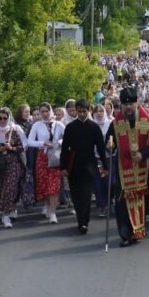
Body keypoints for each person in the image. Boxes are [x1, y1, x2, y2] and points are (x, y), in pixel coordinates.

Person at [105, 86, 149, 246]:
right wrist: (110, 145)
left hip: (143, 169)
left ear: (137, 103)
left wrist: (143, 154)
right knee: (122, 203)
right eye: (125, 104)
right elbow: (109, 142)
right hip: (123, 170)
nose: (128, 107)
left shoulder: (148, 121)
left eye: (131, 104)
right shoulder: (116, 123)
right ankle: (126, 234)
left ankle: (138, 231)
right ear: (121, 105)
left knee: (140, 201)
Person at [61, 99, 108, 234]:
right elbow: (65, 147)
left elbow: (100, 148)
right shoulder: (70, 127)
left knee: (86, 195)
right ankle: (80, 219)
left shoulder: (94, 127)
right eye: (79, 111)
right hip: (73, 165)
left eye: (84, 111)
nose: (81, 114)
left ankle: (84, 222)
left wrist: (105, 165)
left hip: (89, 165)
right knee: (76, 195)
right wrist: (63, 167)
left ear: (88, 111)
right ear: (76, 111)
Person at [0, 106, 25, 229]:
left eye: (4, 118)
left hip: (12, 163)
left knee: (10, 188)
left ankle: (6, 215)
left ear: (8, 118)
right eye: (0, 118)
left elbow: (21, 147)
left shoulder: (14, 130)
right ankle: (3, 210)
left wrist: (11, 147)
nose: (2, 120)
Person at [28, 102, 66, 223]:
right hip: (42, 157)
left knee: (53, 185)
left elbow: (67, 137)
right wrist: (42, 143)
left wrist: (59, 142)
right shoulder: (37, 125)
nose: (44, 114)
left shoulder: (58, 124)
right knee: (44, 184)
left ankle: (53, 212)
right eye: (42, 112)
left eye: (46, 111)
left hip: (54, 156)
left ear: (50, 111)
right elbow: (29, 141)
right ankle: (48, 206)